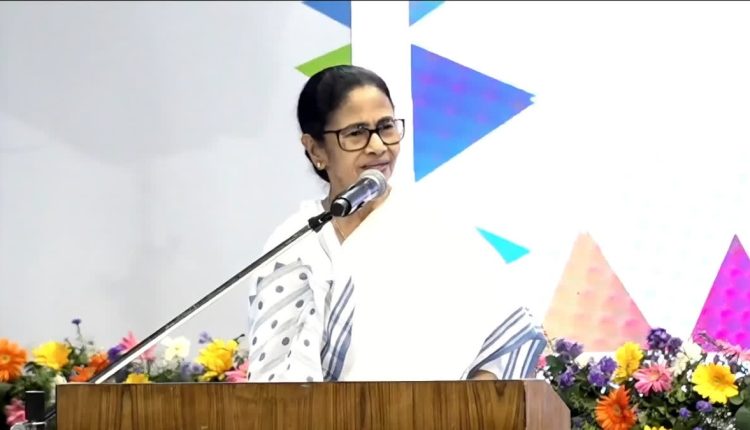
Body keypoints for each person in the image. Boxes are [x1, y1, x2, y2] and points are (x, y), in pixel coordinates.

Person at [246, 65, 546, 383]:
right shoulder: (294, 243)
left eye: (386, 127)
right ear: (316, 149)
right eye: (356, 133)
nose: (378, 146)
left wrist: (466, 406)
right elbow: (272, 383)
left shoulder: (438, 231)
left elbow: (511, 337)